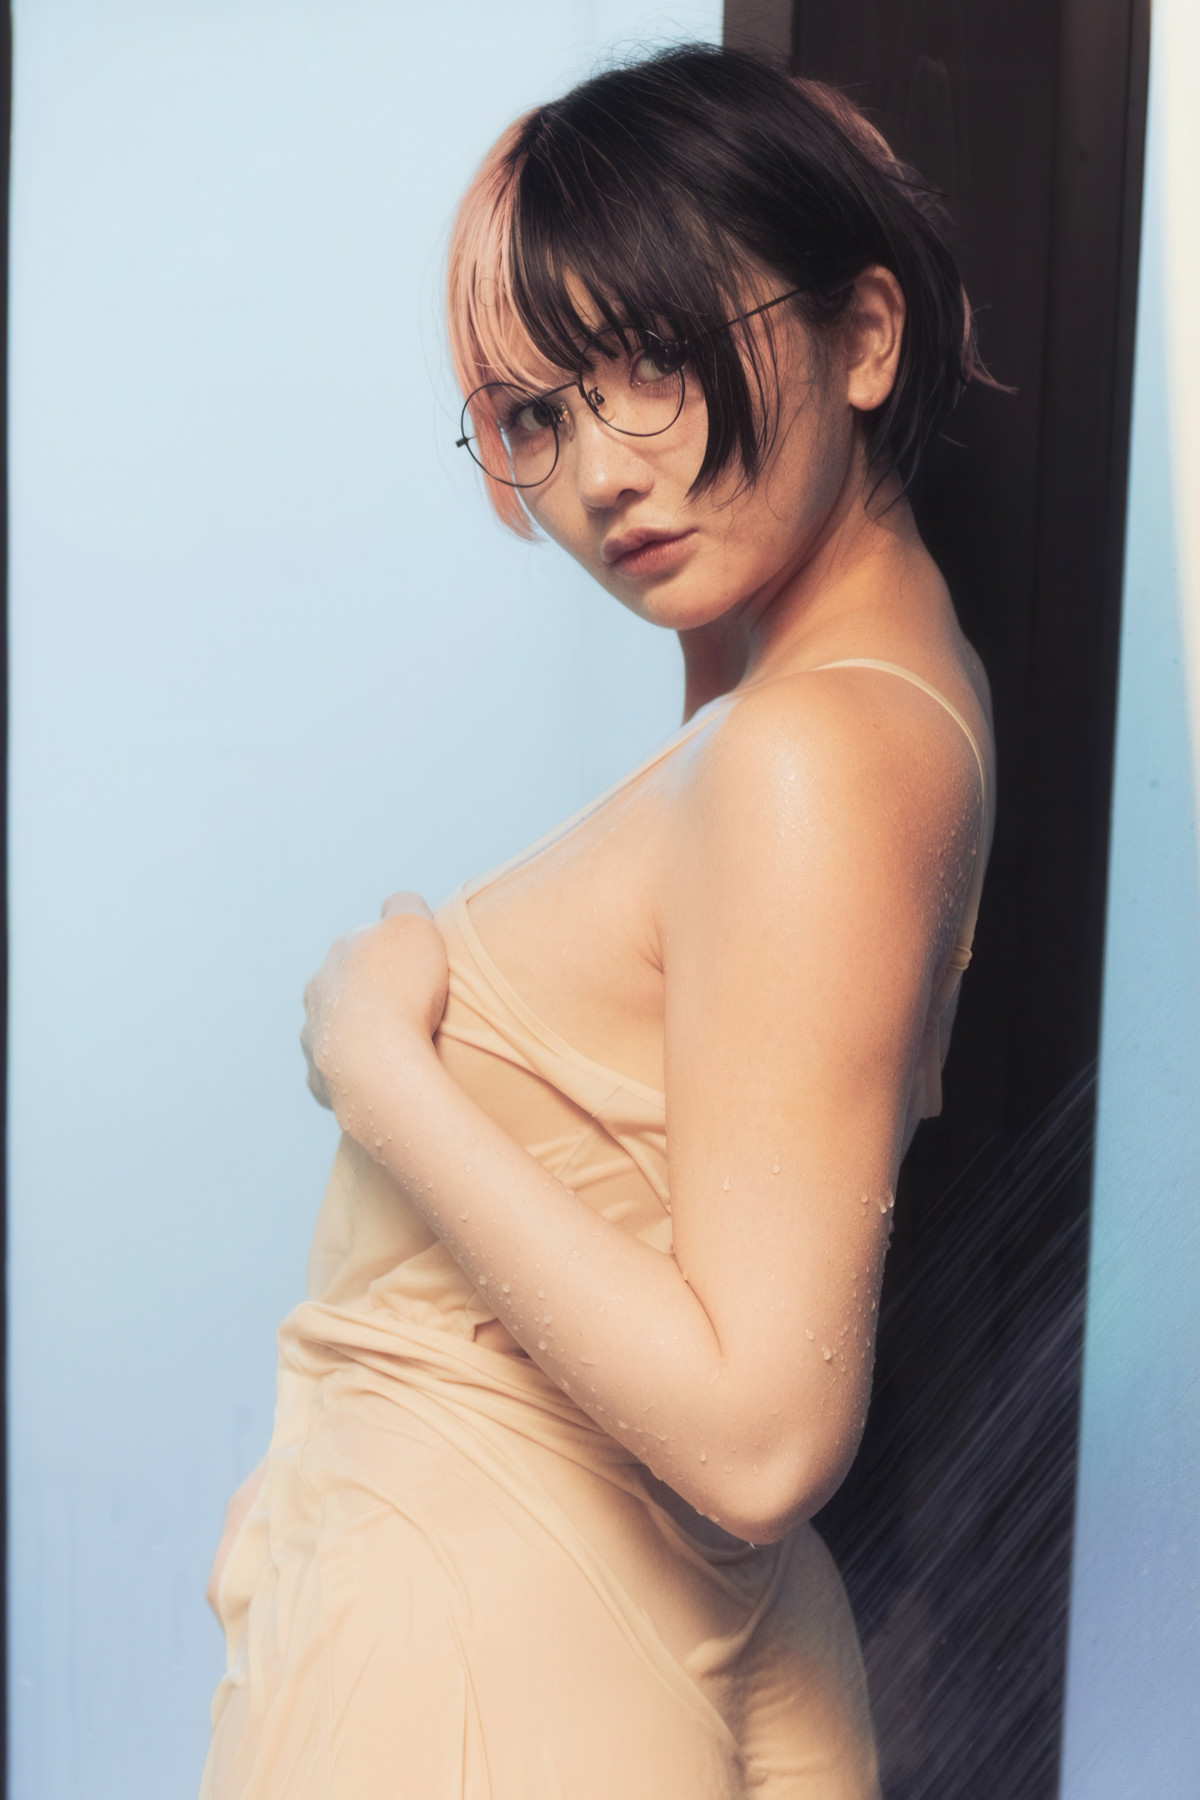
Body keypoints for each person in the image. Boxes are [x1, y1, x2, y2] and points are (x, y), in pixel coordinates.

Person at [199, 44, 994, 1800]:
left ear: (865, 337)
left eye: (658, 357)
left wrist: (373, 1063)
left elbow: (763, 1432)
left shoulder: (805, 758)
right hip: (550, 1626)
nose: (602, 475)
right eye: (538, 416)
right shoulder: (862, 701)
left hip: (495, 1654)